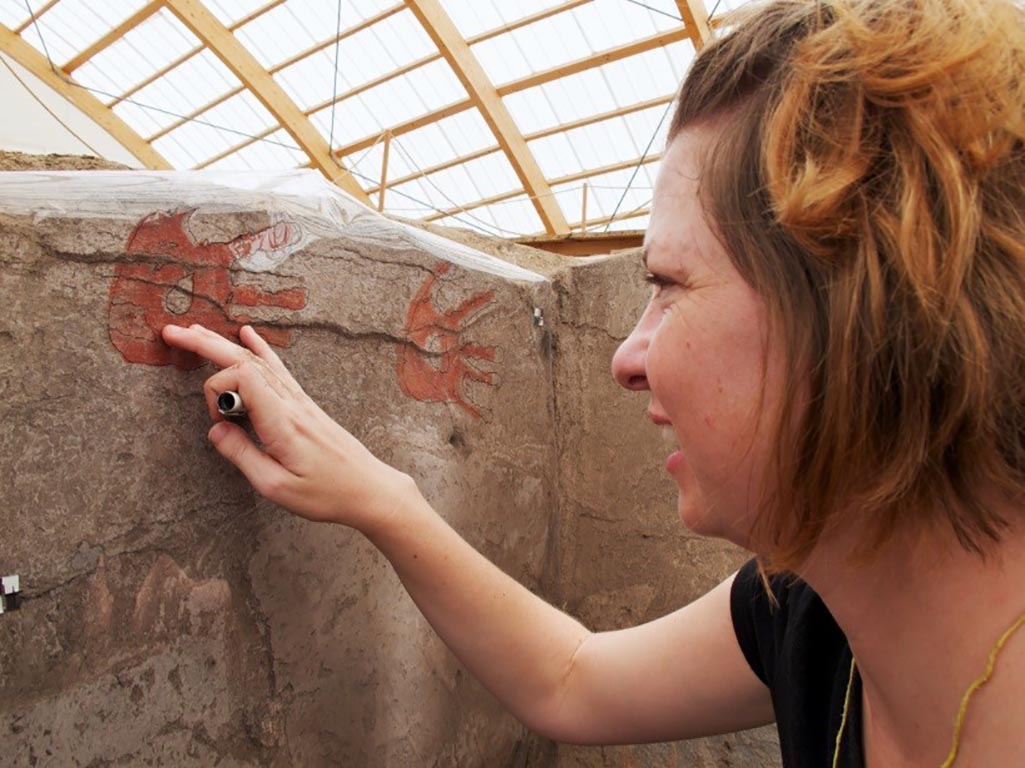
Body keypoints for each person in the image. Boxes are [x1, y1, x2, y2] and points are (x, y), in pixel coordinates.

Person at [162, 0, 1025, 764]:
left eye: (669, 285)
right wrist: (379, 497)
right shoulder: (806, 608)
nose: (626, 357)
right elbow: (570, 680)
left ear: (867, 309)